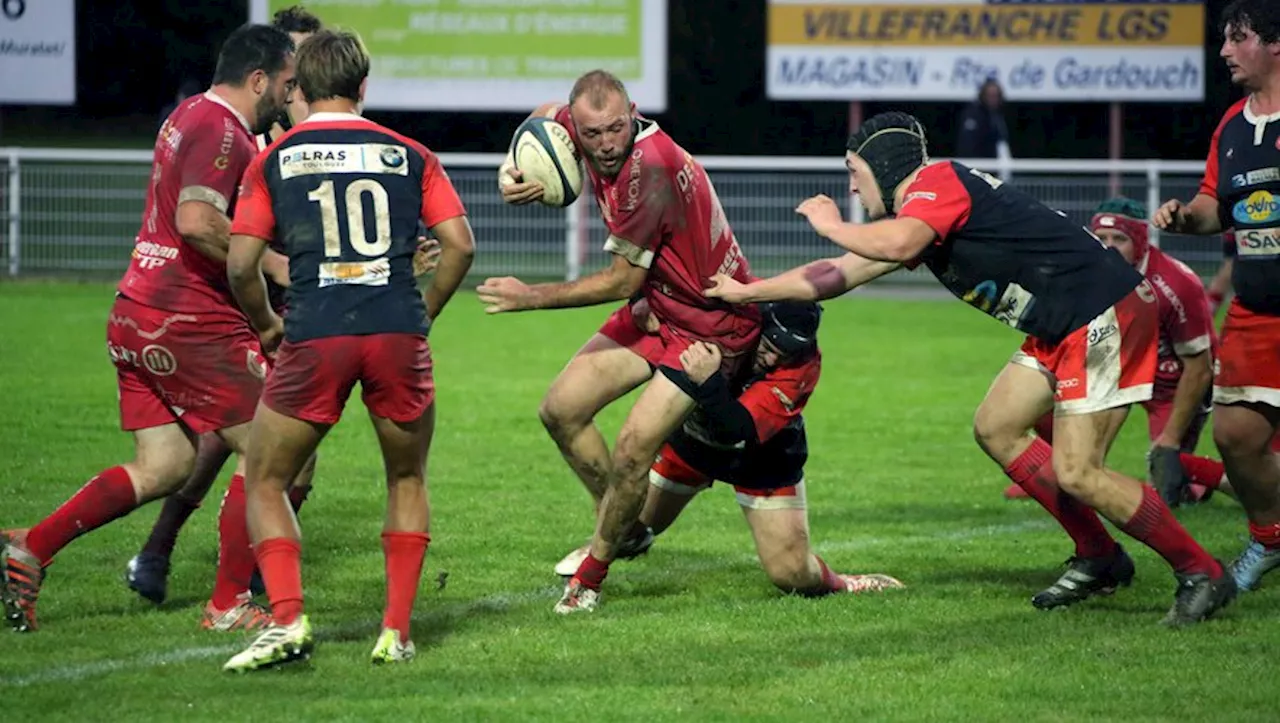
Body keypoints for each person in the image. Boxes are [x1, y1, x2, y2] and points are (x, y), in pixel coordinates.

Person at [705, 111, 1236, 626]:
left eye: (853, 172)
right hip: (1063, 323)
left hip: (1102, 312)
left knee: (1079, 471)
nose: (851, 188)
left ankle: (1201, 571)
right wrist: (749, 291)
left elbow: (897, 242)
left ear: (884, 165)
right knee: (997, 426)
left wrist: (830, 224)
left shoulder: (937, 182)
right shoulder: (920, 213)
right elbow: (837, 274)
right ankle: (1099, 555)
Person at [1, 25, 297, 633]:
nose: (289, 98)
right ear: (260, 80)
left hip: (137, 309)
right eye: (287, 86)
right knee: (274, 448)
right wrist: (273, 264)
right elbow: (195, 221)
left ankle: (29, 546)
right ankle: (226, 604)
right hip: (186, 317)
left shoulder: (189, 113)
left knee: (162, 467)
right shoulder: (221, 129)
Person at [221, 28, 475, 671]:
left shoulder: (273, 159)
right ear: (364, 87)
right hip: (395, 332)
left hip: (316, 333)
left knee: (267, 478)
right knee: (407, 476)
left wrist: (265, 325)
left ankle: (286, 620)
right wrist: (424, 312)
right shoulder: (410, 154)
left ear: (299, 89)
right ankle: (396, 633)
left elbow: (242, 263)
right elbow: (461, 245)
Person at [477, 69, 760, 614]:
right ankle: (625, 527)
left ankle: (589, 580)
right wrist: (510, 170)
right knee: (560, 410)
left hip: (710, 326)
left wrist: (529, 296)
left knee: (633, 452)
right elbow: (541, 114)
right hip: (658, 309)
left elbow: (619, 280)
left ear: (633, 115)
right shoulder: (577, 125)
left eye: (614, 129)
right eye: (591, 135)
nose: (605, 145)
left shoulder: (649, 169)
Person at [124, 3, 326, 608]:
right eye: (293, 66)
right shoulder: (239, 127)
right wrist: (270, 263)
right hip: (224, 295)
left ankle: (235, 568)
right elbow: (205, 219)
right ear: (267, 70)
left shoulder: (307, 128)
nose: (299, 80)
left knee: (255, 443)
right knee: (262, 439)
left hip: (278, 293)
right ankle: (221, 579)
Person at [555, 299, 905, 597]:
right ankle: (598, 559)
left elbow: (737, 429)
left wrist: (707, 383)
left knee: (792, 576)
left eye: (783, 355)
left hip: (761, 460)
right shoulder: (730, 319)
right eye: (769, 347)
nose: (770, 361)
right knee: (624, 519)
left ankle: (845, 585)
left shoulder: (804, 365)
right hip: (690, 447)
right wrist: (642, 303)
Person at [1152, 0, 1280, 592]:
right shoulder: (1233, 124)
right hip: (1255, 311)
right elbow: (1213, 205)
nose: (1225, 51)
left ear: (1275, 44)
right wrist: (1185, 216)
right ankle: (1270, 539)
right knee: (1234, 434)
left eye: (1238, 38)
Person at [1001, 199, 1217, 508]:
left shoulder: (1176, 284)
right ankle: (1049, 473)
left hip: (1170, 383)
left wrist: (1169, 441)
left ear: (1141, 242)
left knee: (1172, 480)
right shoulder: (1086, 270)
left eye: (1120, 239)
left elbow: (1199, 368)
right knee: (1037, 405)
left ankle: (1212, 479)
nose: (1109, 247)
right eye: (1101, 238)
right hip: (1113, 366)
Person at [956, 78, 1011, 162]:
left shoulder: (998, 116)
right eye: (990, 95)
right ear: (983, 95)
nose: (993, 99)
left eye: (996, 96)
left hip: (994, 164)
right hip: (976, 163)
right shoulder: (973, 114)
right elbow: (967, 145)